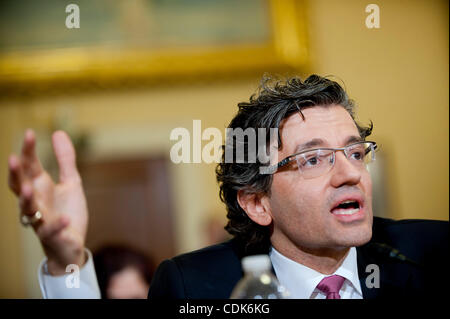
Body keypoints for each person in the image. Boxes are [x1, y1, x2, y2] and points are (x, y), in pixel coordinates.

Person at [7, 75, 448, 299]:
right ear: (257, 202)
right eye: (314, 159)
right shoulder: (195, 287)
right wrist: (66, 265)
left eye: (355, 152)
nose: (350, 173)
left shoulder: (429, 254)